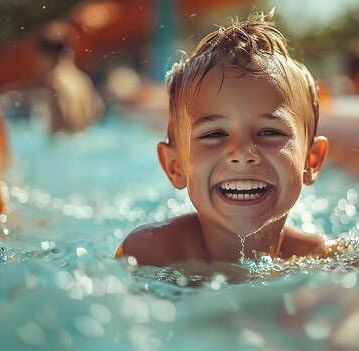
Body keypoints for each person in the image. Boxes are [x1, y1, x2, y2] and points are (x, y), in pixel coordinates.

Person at [115, 10, 342, 271]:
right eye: (214, 134)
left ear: (311, 161)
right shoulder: (149, 253)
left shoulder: (322, 259)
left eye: (269, 132)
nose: (242, 152)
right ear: (175, 166)